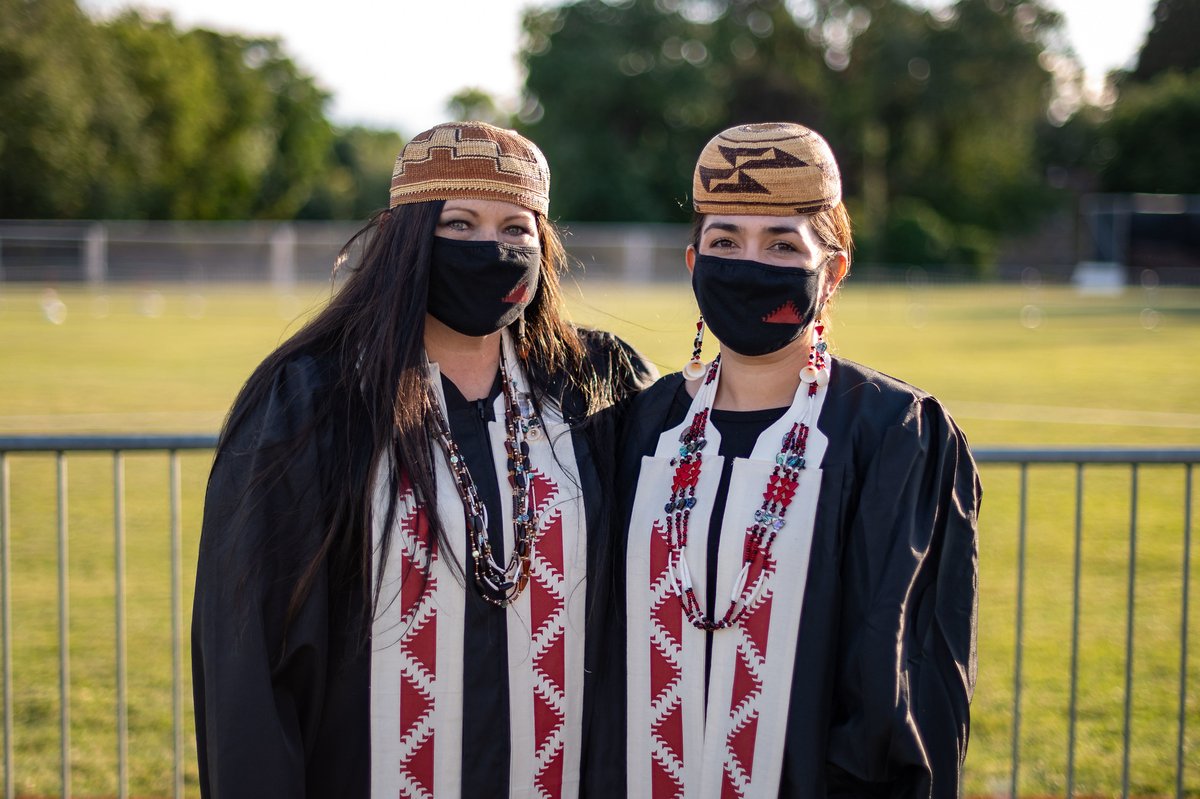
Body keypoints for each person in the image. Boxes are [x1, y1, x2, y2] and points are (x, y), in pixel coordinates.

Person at [191, 121, 655, 798]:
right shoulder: (312, 399)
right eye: (459, 223)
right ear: (406, 239)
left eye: (516, 229)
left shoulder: (591, 389)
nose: (490, 249)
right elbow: (249, 667)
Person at [608, 122, 980, 798]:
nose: (750, 265)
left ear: (832, 272)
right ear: (695, 265)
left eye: (782, 243)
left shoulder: (892, 434)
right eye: (725, 241)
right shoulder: (642, 425)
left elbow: (903, 682)